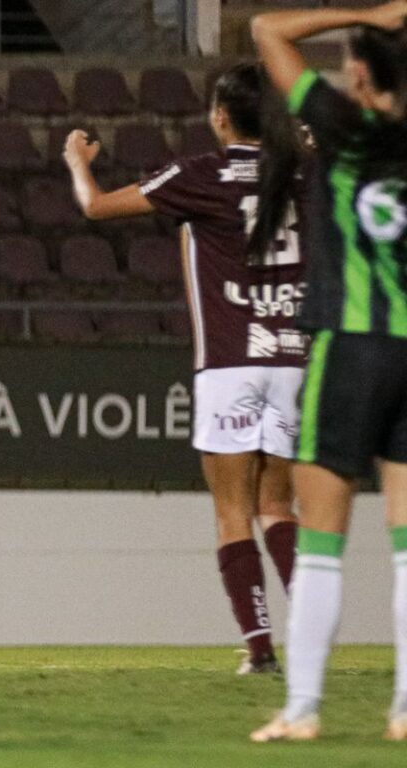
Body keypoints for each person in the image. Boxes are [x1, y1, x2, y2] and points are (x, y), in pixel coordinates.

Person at [62, 63, 307, 675]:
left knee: (232, 511)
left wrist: (76, 160)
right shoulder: (302, 171)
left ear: (221, 116)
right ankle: (314, 627)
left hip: (230, 364)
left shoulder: (203, 174)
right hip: (293, 359)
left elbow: (94, 207)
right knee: (279, 507)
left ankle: (261, 650)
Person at [249, 0, 407, 741]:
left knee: (323, 538)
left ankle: (303, 709)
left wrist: (368, 11)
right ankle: (406, 710)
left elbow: (266, 30)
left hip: (350, 340)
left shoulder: (344, 126)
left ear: (362, 73)